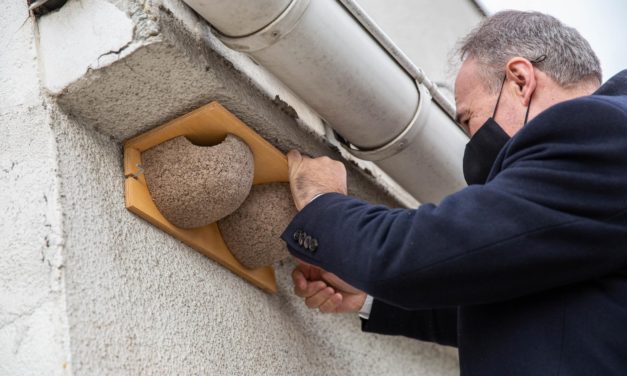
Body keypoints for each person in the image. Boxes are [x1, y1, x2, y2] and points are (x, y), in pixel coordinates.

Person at [280, 10, 627, 375]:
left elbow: (427, 252)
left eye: (468, 119)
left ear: (520, 82)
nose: (471, 141)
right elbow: (513, 292)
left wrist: (322, 203)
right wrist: (368, 295)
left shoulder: (597, 131)